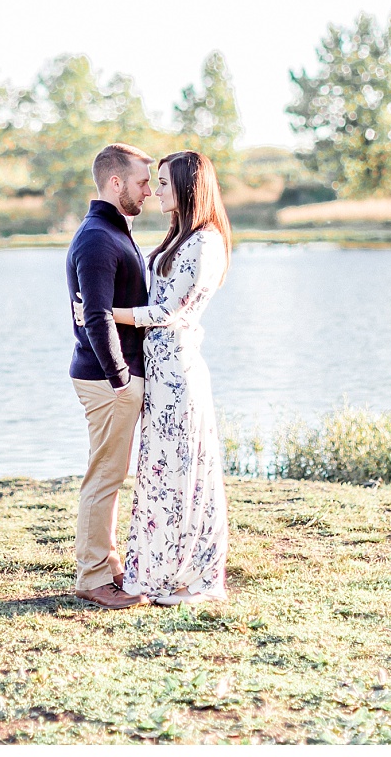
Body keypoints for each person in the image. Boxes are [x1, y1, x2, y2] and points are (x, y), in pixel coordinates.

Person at [112, 150, 232, 605]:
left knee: (181, 471)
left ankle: (188, 575)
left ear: (186, 187)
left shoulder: (206, 243)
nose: (155, 190)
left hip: (179, 373)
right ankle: (156, 566)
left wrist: (106, 316)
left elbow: (168, 311)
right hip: (159, 372)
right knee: (160, 471)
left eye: (162, 183)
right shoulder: (180, 237)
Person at [64, 143, 155, 609]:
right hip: (106, 379)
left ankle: (108, 564)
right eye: (142, 181)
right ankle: (93, 576)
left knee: (112, 472)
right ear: (115, 182)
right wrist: (121, 378)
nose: (150, 190)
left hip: (111, 377)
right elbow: (95, 317)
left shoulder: (114, 230)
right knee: (104, 476)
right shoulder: (98, 237)